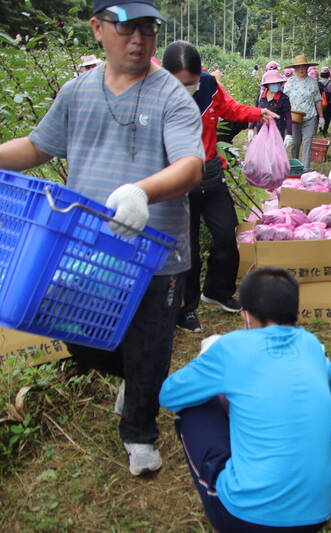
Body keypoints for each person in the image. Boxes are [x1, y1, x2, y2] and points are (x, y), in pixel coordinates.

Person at [0, 0, 204, 476]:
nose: (138, 39)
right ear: (98, 29)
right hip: (89, 248)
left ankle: (139, 433)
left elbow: (190, 166)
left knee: (150, 344)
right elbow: (37, 146)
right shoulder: (76, 93)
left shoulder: (171, 96)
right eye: (126, 28)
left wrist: (140, 191)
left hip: (155, 250)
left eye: (148, 29)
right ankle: (136, 381)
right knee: (83, 339)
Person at [160, 267, 331, 532]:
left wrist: (206, 365)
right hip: (318, 514)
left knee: (193, 409)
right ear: (296, 312)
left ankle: (220, 490)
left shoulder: (231, 347)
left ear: (246, 316)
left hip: (245, 519)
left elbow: (170, 394)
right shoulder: (311, 344)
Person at [162, 41, 277, 334]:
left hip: (211, 173)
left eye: (192, 82)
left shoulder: (210, 85)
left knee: (226, 235)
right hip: (176, 179)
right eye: (181, 83)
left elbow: (230, 108)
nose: (188, 88)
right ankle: (185, 308)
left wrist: (257, 114)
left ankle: (217, 290)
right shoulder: (155, 93)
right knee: (187, 247)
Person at [282, 54, 323, 170]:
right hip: (293, 118)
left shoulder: (313, 82)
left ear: (307, 67)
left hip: (310, 117)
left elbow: (318, 100)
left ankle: (305, 169)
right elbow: (284, 100)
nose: (301, 69)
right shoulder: (289, 82)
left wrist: (321, 117)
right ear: (295, 69)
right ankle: (294, 165)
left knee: (307, 142)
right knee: (295, 143)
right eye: (299, 67)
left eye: (304, 67)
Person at [249, 70, 292, 138]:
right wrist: (251, 128)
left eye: (277, 83)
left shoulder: (284, 98)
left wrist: (289, 133)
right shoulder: (261, 96)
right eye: (273, 83)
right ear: (267, 85)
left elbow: (288, 116)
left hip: (277, 131)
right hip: (261, 130)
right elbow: (256, 111)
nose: (276, 85)